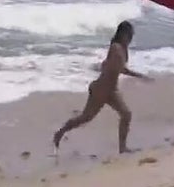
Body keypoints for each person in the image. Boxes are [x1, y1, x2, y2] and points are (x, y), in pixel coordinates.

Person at [53, 21, 152, 155]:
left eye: (131, 35)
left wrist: (138, 75)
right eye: (129, 35)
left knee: (126, 114)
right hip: (101, 89)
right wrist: (139, 75)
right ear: (123, 34)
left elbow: (116, 67)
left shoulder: (123, 49)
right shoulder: (116, 48)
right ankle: (60, 133)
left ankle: (122, 148)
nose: (130, 38)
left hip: (111, 90)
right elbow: (117, 68)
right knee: (85, 118)